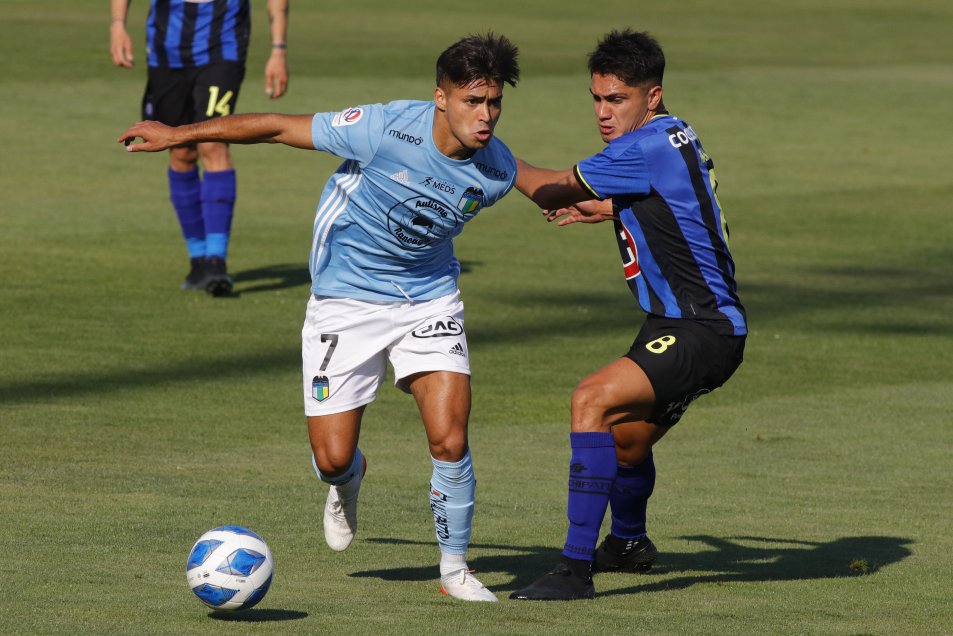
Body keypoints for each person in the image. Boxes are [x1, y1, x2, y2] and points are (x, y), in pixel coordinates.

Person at [119, 33, 520, 602]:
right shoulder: (381, 128)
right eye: (472, 102)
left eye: (494, 103)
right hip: (345, 299)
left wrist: (597, 199)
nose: (485, 116)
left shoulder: (495, 170)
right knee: (331, 457)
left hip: (428, 300)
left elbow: (533, 178)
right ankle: (346, 479)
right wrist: (178, 133)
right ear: (440, 98)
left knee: (449, 439)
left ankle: (454, 571)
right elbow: (279, 126)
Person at [509, 29, 747, 601]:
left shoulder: (638, 149)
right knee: (625, 444)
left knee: (590, 400)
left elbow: (548, 190)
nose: (603, 112)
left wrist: (489, 150)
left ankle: (572, 572)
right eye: (596, 98)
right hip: (689, 324)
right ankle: (630, 544)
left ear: (652, 96)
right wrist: (616, 207)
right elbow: (674, 196)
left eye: (617, 100)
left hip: (700, 329)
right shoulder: (673, 135)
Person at [110, 0, 290, 295]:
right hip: (166, 51)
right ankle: (197, 260)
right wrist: (117, 25)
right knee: (180, 151)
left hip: (223, 48)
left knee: (213, 144)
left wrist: (278, 50)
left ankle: (216, 261)